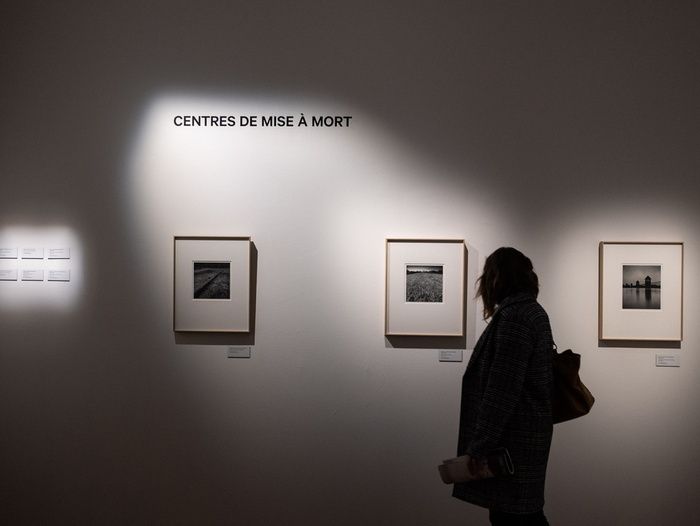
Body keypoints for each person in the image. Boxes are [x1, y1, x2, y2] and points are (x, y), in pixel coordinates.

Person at [453, 247, 554, 526]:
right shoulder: (531, 312)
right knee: (521, 515)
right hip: (526, 439)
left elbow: (502, 391)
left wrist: (479, 446)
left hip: (512, 445)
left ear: (497, 278)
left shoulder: (515, 318)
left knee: (515, 518)